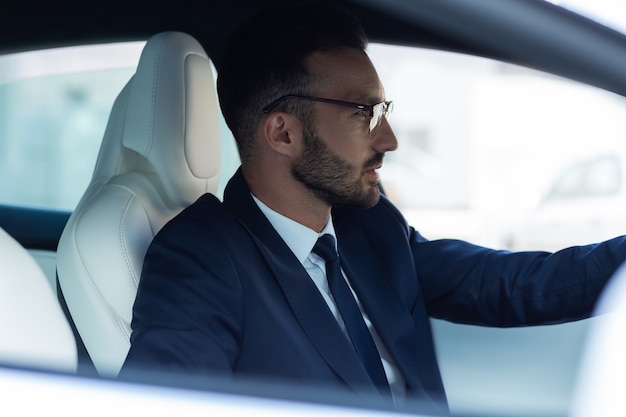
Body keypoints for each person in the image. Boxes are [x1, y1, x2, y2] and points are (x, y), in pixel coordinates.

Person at [120, 5, 626, 414]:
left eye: (383, 111)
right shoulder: (199, 258)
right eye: (365, 113)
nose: (390, 139)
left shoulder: (369, 226)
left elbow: (509, 285)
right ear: (283, 132)